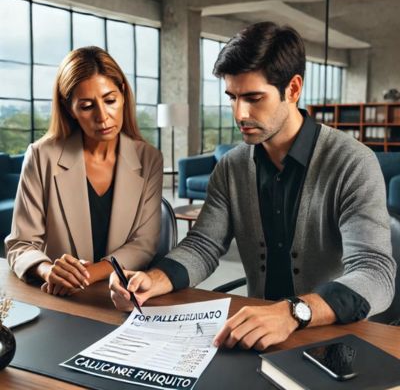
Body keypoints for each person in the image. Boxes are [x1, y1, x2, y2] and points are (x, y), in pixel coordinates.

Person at [110, 22, 396, 350]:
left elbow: (375, 274)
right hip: (257, 339)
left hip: (333, 341)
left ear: (293, 88)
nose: (240, 113)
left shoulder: (353, 163)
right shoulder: (232, 166)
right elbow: (203, 245)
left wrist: (293, 311)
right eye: (232, 97)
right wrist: (154, 279)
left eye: (253, 97)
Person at [6, 46, 163, 297]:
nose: (102, 116)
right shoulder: (41, 156)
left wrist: (83, 276)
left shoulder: (149, 158)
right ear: (70, 109)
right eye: (87, 106)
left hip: (122, 297)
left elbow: (143, 245)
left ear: (123, 94)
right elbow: (21, 243)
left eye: (110, 100)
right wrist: (48, 270)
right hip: (59, 297)